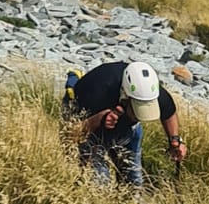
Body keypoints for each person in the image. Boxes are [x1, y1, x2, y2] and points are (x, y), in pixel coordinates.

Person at [62, 56, 187, 186]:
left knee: (134, 181)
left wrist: (175, 140)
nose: (139, 117)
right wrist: (99, 119)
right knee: (99, 183)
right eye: (137, 111)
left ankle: (130, 200)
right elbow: (72, 134)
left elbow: (169, 113)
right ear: (125, 96)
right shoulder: (98, 90)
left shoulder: (151, 92)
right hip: (90, 120)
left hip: (127, 128)